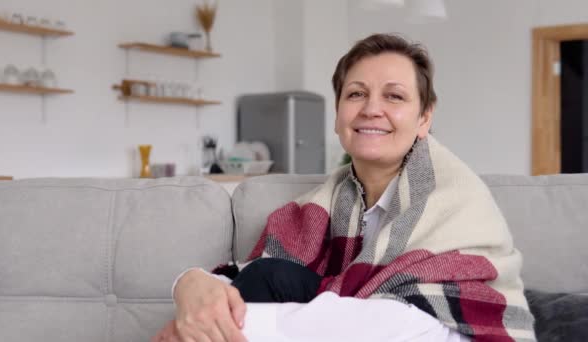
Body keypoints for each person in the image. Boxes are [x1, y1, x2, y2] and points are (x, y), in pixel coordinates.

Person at [152, 33, 536, 342]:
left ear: (424, 118)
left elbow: (401, 324)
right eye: (356, 94)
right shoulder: (330, 202)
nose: (371, 108)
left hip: (439, 327)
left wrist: (221, 329)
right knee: (265, 275)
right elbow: (257, 279)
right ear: (338, 116)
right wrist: (191, 284)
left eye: (394, 96)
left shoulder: (455, 199)